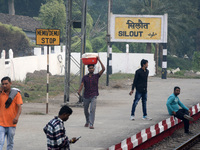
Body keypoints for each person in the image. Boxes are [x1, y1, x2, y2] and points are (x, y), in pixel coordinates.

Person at [77, 56, 105, 129]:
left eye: (92, 68)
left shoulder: (96, 76)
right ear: (88, 69)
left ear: (94, 69)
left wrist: (99, 60)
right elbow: (82, 84)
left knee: (92, 109)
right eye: (90, 68)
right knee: (86, 110)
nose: (91, 69)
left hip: (94, 95)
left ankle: (91, 124)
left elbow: (103, 69)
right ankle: (87, 121)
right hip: (86, 95)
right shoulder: (85, 77)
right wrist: (79, 91)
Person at [0, 76, 23, 150]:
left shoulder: (16, 94)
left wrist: (16, 117)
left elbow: (19, 107)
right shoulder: (0, 94)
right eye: (3, 84)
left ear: (10, 83)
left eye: (6, 84)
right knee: (0, 142)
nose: (4, 86)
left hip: (11, 123)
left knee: (10, 143)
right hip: (1, 123)